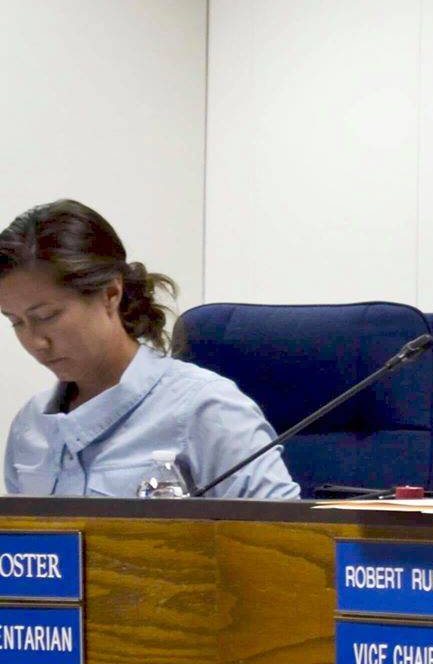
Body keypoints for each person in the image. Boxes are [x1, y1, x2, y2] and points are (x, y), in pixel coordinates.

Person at [0, 200, 299, 499]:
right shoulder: (31, 425)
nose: (35, 341)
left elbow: (292, 538)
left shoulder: (206, 408)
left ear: (110, 294)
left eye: (47, 316)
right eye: (16, 322)